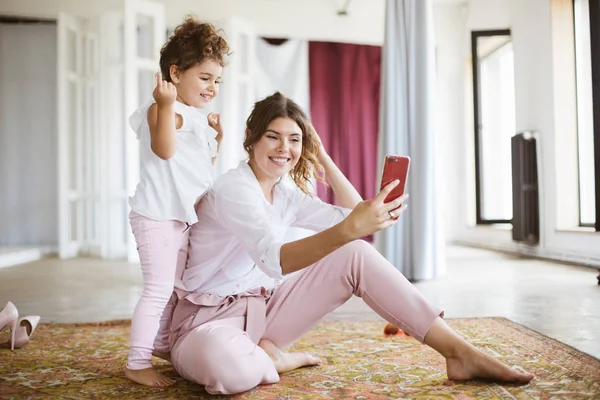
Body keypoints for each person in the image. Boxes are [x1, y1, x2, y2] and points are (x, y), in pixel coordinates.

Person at [168, 92, 534, 395]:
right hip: (205, 323)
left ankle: (460, 352)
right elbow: (275, 261)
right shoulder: (234, 189)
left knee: (355, 254)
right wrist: (352, 226)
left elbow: (352, 219)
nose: (284, 148)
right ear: (251, 136)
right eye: (273, 136)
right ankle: (274, 358)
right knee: (232, 374)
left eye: (294, 139)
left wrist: (322, 157)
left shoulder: (285, 193)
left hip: (262, 312)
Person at [124, 16, 230, 387]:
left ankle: (159, 343)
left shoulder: (196, 117)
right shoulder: (161, 110)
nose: (212, 86)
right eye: (204, 77)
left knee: (173, 288)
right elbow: (164, 149)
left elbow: (199, 168)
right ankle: (136, 363)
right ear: (175, 73)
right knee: (157, 289)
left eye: (217, 80)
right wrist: (166, 105)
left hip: (179, 218)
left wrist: (215, 137)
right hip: (155, 216)